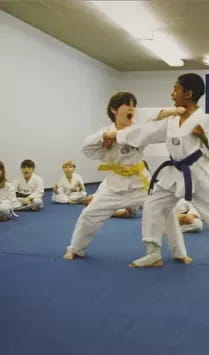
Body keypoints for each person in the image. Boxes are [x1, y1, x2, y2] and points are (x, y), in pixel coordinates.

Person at [109, 73, 209, 274]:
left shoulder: (204, 119)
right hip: (172, 171)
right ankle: (153, 252)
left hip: (196, 173)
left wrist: (203, 137)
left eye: (175, 88)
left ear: (188, 93)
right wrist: (118, 136)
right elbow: (146, 133)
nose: (172, 93)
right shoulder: (172, 119)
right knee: (152, 204)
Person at [63, 91, 190, 263]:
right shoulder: (105, 132)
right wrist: (103, 139)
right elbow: (87, 148)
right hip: (115, 184)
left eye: (133, 105)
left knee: (165, 212)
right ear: (114, 110)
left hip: (142, 183)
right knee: (89, 215)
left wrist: (173, 112)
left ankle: (179, 253)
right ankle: (75, 249)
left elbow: (154, 119)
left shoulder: (139, 129)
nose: (132, 108)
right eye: (127, 104)